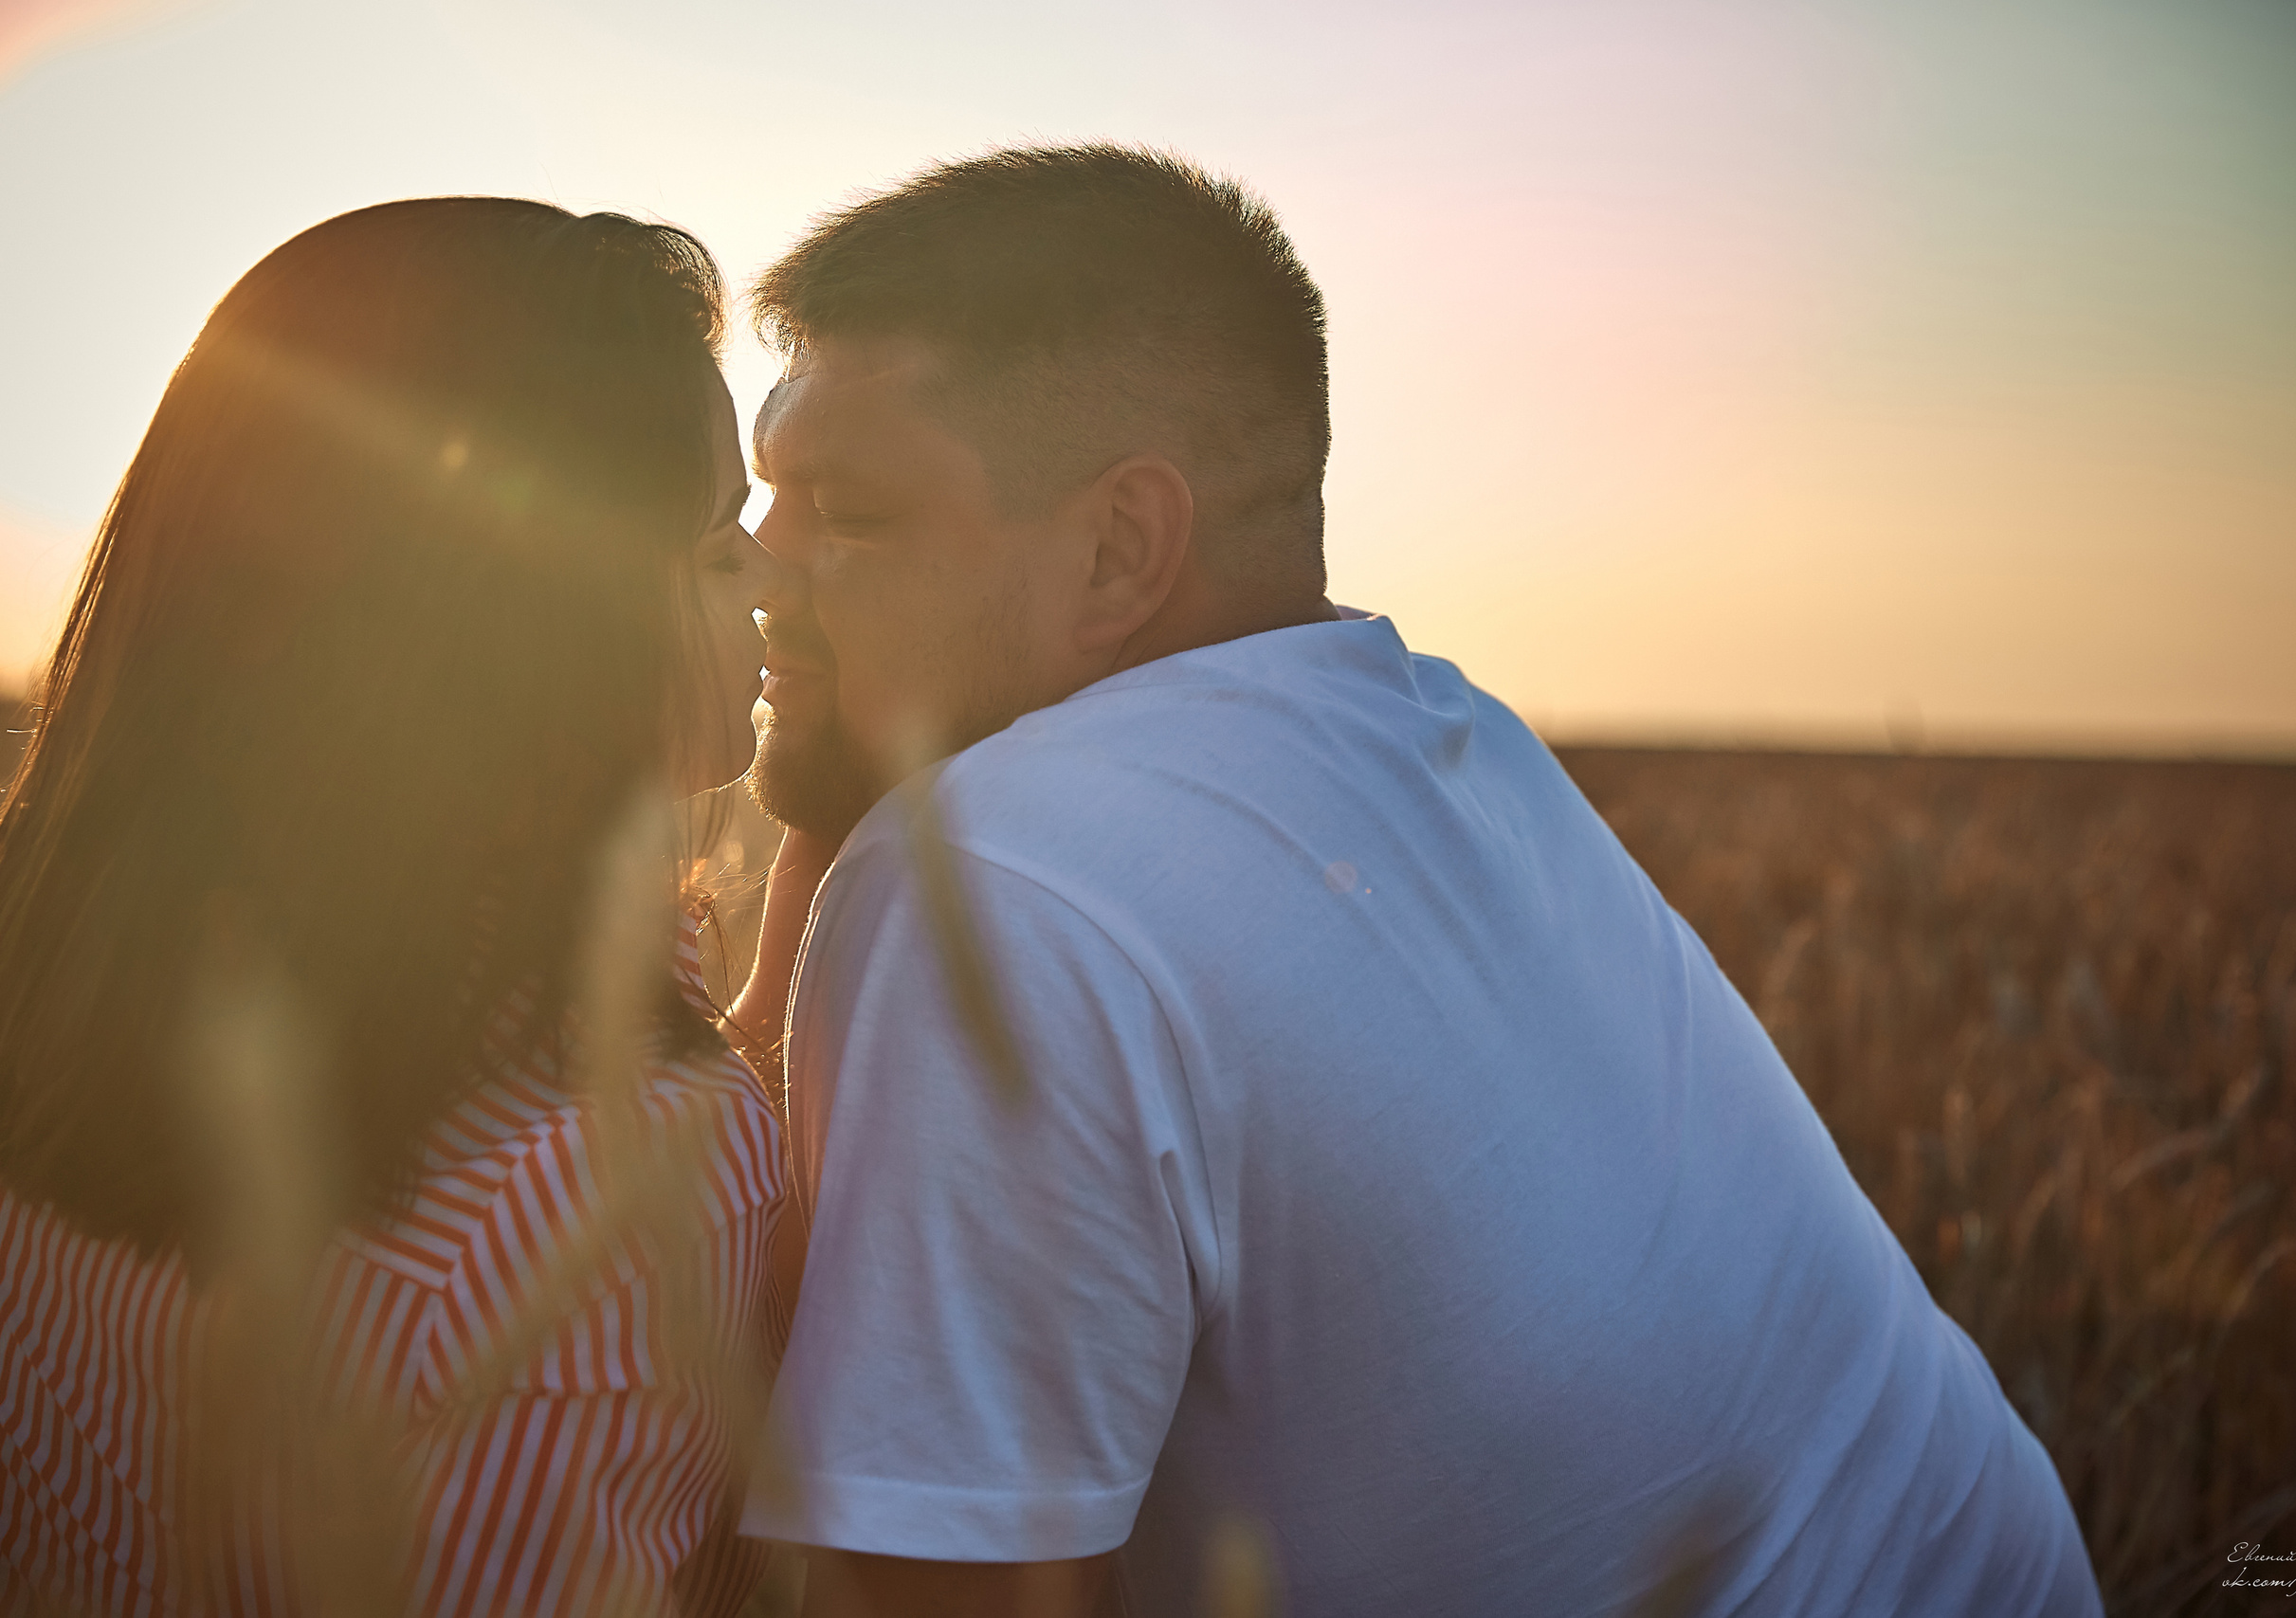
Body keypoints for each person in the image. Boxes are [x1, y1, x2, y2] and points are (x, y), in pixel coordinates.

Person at [733, 146, 2102, 1617]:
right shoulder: (1438, 736)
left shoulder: (1003, 877)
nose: (754, 566)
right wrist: (835, 785)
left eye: (848, 516)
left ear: (1122, 548)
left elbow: (921, 1600)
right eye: (767, 500)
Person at [0, 198, 801, 1615]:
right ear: (516, 607)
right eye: (713, 533)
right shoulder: (601, 1176)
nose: (772, 578)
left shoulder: (64, 958)